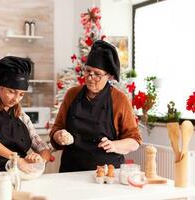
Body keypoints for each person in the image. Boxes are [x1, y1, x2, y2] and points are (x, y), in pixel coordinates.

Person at [50, 40, 142, 172]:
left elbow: (135, 140)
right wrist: (59, 135)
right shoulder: (72, 94)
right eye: (87, 71)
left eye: (97, 74)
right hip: (71, 170)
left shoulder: (120, 100)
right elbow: (57, 128)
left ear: (109, 76)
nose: (90, 77)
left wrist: (114, 145)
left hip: (106, 173)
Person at [0, 56, 51, 178]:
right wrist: (16, 158)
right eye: (11, 92)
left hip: (19, 176)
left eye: (21, 94)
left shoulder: (21, 115)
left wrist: (40, 159)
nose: (16, 99)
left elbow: (42, 147)